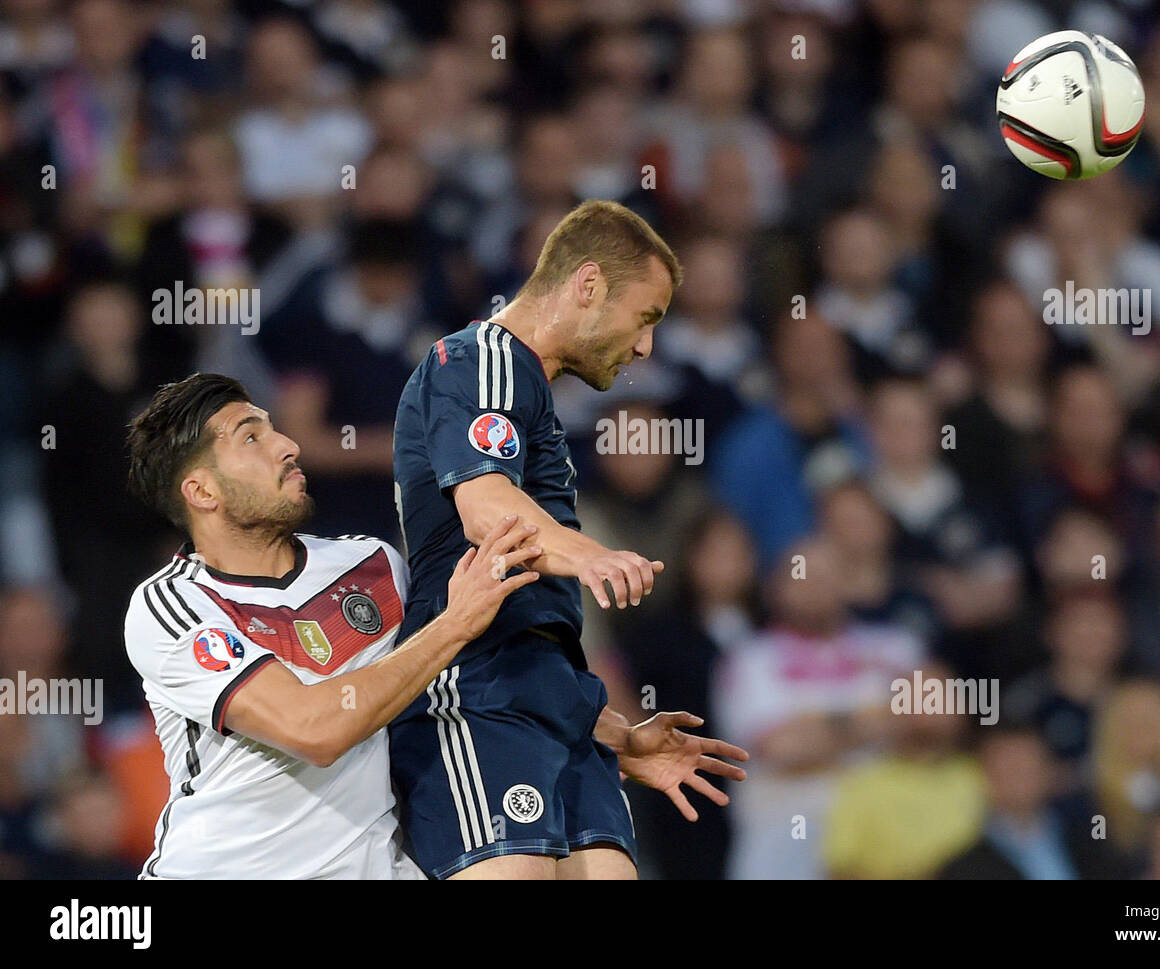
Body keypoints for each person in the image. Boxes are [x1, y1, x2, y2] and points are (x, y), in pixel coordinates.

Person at [124, 372, 729, 878]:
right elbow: (314, 729)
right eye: (251, 437)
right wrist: (453, 624)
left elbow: (466, 687)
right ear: (201, 490)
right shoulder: (174, 607)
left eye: (273, 427)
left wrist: (616, 736)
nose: (287, 444)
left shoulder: (371, 564)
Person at [390, 199, 749, 880]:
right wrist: (593, 555)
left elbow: (536, 623)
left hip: (556, 707)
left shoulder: (532, 401)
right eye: (645, 317)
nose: (645, 347)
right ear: (587, 285)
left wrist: (616, 731)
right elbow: (486, 511)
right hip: (475, 695)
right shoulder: (482, 357)